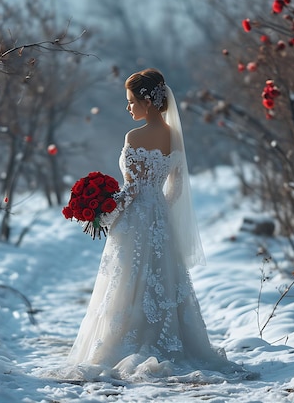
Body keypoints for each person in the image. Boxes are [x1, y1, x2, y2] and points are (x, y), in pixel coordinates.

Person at [67, 68, 245, 381]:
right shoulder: (175, 138)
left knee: (129, 283)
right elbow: (175, 190)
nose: (128, 107)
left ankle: (127, 341)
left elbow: (132, 189)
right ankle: (168, 340)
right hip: (161, 218)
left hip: (135, 220)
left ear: (147, 101)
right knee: (161, 281)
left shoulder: (134, 137)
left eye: (131, 101)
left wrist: (104, 211)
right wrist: (159, 210)